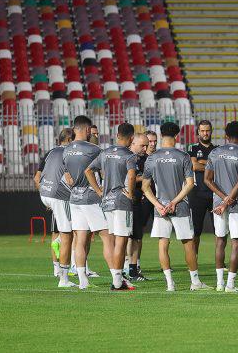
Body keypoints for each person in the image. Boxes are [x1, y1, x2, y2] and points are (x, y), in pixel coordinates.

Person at [142, 121, 208, 291]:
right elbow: (190, 184)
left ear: (161, 135)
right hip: (180, 206)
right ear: (177, 136)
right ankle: (195, 282)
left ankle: (170, 284)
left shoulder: (152, 158)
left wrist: (158, 205)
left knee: (163, 244)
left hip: (160, 207)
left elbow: (145, 187)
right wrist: (174, 202)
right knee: (188, 244)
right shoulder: (183, 156)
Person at [62, 115, 115, 289]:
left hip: (74, 198)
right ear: (86, 129)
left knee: (80, 239)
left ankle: (83, 281)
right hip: (91, 198)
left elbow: (69, 179)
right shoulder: (94, 149)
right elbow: (105, 173)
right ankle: (117, 278)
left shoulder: (66, 150)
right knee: (107, 237)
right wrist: (101, 190)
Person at [85, 122, 137, 291]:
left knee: (114, 242)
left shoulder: (105, 153)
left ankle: (117, 280)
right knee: (121, 242)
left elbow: (88, 171)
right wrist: (131, 193)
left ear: (117, 135)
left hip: (107, 202)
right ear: (131, 138)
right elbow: (131, 175)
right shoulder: (129, 155)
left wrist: (99, 191)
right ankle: (117, 282)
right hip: (122, 201)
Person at [204, 121, 238, 293]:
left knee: (220, 241)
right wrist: (228, 201)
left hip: (218, 203)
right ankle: (230, 285)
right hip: (237, 203)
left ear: (226, 136)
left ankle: (219, 284)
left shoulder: (215, 153)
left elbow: (207, 180)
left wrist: (223, 199)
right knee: (236, 243)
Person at [34, 128, 76, 287]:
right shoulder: (70, 153)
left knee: (70, 229)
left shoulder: (50, 152)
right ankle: (64, 280)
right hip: (59, 195)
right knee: (67, 236)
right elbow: (69, 179)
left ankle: (57, 242)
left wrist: (47, 196)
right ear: (70, 140)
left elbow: (36, 178)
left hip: (45, 193)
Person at [127, 131, 155, 280]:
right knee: (124, 237)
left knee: (136, 236)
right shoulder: (126, 156)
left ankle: (133, 270)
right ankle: (123, 269)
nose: (146, 148)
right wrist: (143, 177)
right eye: (143, 145)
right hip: (125, 202)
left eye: (147, 145)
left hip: (138, 201)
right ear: (133, 143)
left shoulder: (146, 159)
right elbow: (131, 177)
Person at [188, 119, 217, 254]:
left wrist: (202, 162)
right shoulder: (192, 148)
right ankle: (194, 262)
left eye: (207, 131)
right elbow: (194, 166)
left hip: (215, 194)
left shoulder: (217, 149)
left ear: (211, 132)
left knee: (219, 231)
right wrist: (210, 166)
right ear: (198, 132)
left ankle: (220, 263)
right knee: (196, 231)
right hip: (197, 194)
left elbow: (219, 167)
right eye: (202, 131)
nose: (205, 133)